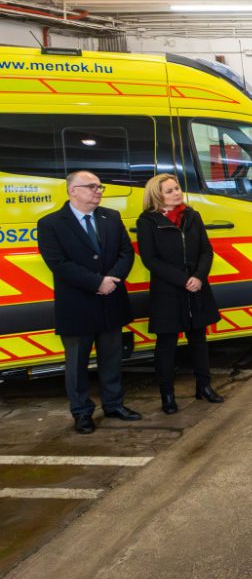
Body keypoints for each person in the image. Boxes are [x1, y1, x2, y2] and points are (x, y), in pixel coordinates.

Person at [37, 171, 140, 434]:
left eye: (99, 186)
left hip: (111, 301)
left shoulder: (111, 217)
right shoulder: (51, 223)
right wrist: (97, 283)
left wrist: (112, 279)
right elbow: (59, 264)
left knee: (112, 358)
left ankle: (114, 404)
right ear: (72, 191)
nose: (98, 191)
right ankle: (82, 412)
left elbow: (126, 252)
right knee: (77, 363)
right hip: (77, 304)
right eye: (91, 186)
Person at [136, 174, 223, 414]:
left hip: (196, 287)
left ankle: (204, 387)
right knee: (166, 344)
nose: (177, 193)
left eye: (177, 188)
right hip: (168, 290)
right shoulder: (147, 222)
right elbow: (150, 259)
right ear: (157, 195)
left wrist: (198, 277)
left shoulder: (192, 216)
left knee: (199, 340)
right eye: (170, 190)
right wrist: (183, 280)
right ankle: (167, 395)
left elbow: (206, 250)